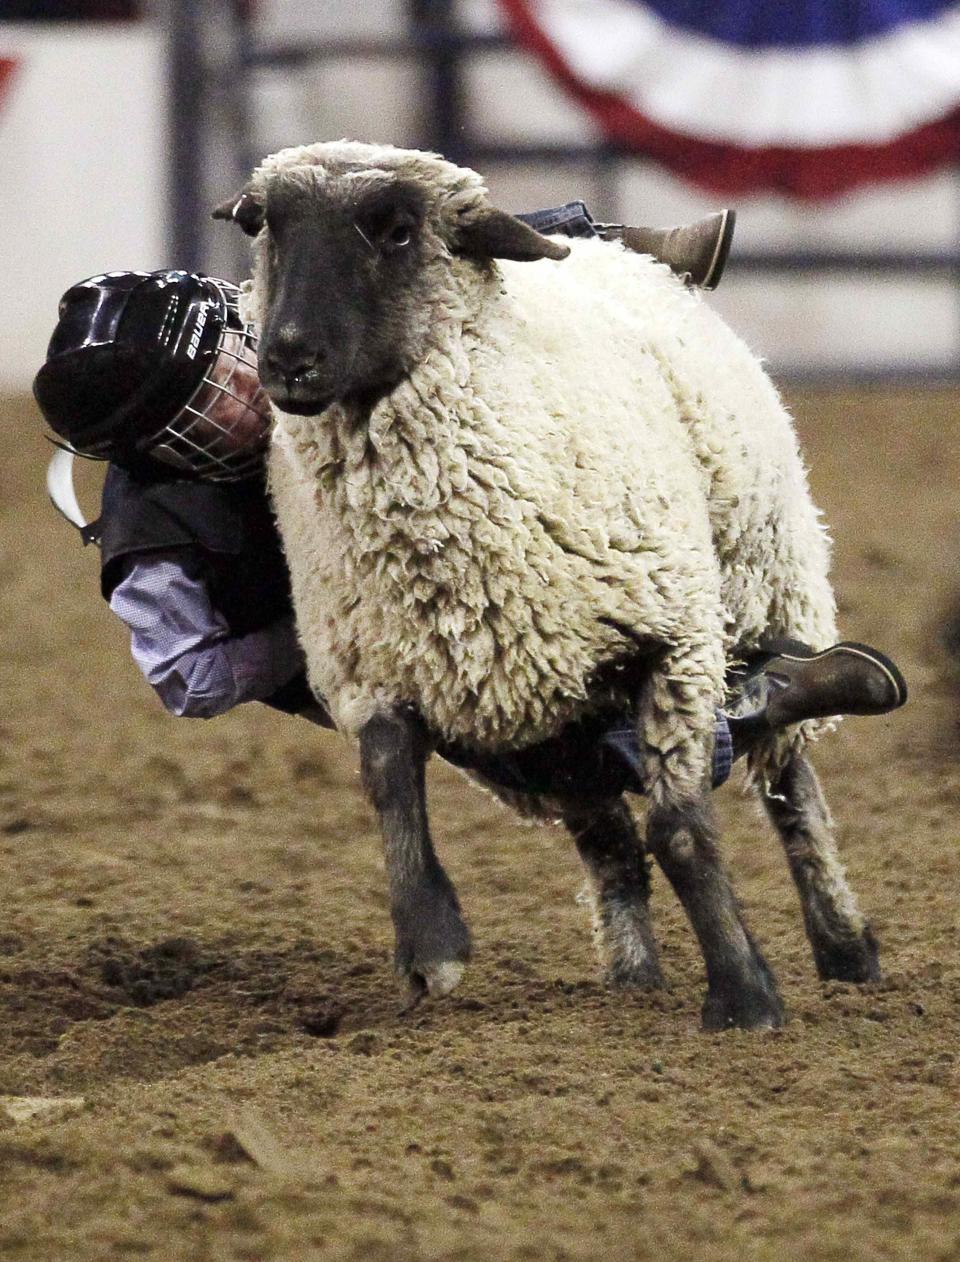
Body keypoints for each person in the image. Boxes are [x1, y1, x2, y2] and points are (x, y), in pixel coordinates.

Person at [33, 214, 907, 803]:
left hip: (465, 554)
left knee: (397, 246)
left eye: (236, 353)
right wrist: (347, 625)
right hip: (389, 653)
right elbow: (188, 677)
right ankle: (761, 703)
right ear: (161, 452)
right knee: (551, 761)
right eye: (210, 406)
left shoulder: (296, 348)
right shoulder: (156, 542)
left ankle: (607, 244)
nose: (251, 388)